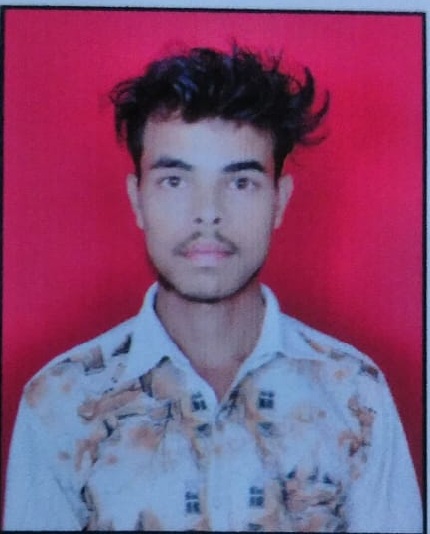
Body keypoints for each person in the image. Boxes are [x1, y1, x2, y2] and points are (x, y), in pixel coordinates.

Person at [3, 46, 422, 532]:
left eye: (240, 182)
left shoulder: (355, 392)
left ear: (280, 201)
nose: (207, 214)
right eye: (175, 181)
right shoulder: (60, 400)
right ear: (137, 200)